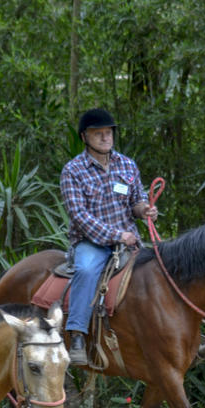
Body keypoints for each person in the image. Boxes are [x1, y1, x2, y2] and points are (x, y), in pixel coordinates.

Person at [60, 108, 158, 366]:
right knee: (86, 270)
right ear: (84, 137)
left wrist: (144, 210)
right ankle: (77, 334)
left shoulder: (127, 165)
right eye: (98, 133)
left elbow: (136, 200)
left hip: (129, 241)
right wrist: (117, 235)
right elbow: (79, 215)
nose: (105, 137)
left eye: (108, 132)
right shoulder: (73, 171)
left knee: (161, 269)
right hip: (91, 243)